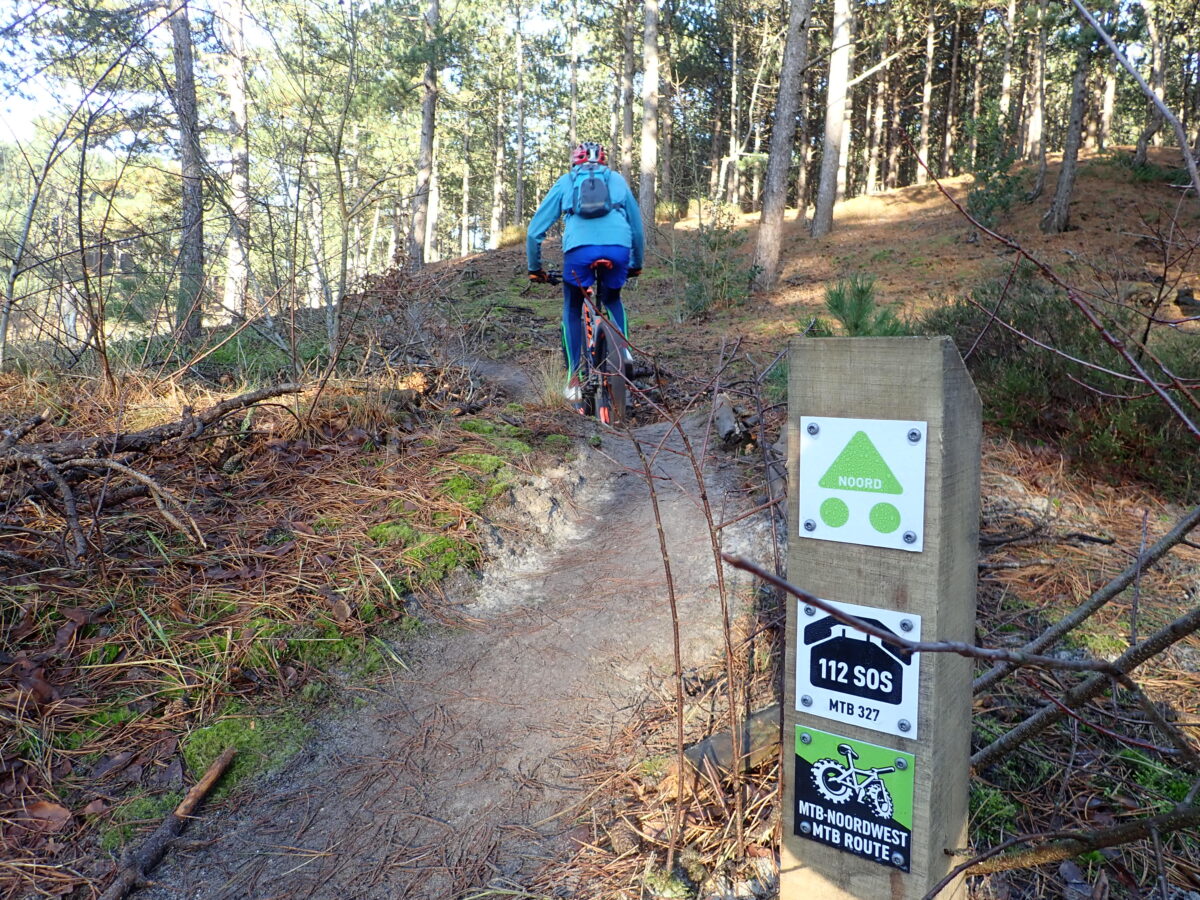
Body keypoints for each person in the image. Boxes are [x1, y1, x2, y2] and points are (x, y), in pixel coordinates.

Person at [527, 141, 644, 411]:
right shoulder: (617, 180)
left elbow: (534, 232)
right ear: (603, 161)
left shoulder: (567, 181)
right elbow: (637, 229)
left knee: (572, 308)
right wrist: (635, 263)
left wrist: (535, 268)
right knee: (612, 299)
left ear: (575, 162)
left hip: (579, 251)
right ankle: (624, 352)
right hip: (617, 249)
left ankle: (573, 379)